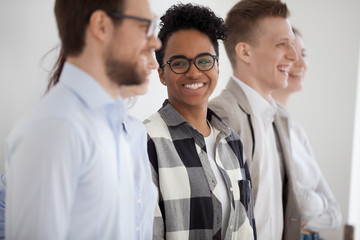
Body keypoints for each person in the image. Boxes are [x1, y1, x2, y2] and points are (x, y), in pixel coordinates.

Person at [4, 0, 161, 238]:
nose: (155, 42)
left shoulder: (111, 126)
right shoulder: (55, 128)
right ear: (101, 25)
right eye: (145, 27)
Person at [144, 3, 256, 240]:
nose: (194, 73)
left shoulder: (233, 143)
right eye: (179, 63)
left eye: (204, 60)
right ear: (162, 73)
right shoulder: (146, 142)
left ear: (217, 66)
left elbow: (247, 229)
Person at [209, 0, 301, 239]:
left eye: (292, 44)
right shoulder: (221, 114)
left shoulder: (280, 117)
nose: (293, 55)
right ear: (245, 52)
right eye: (282, 44)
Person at [272, 28, 342, 240]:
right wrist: (313, 206)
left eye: (303, 54)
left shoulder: (298, 132)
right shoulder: (263, 126)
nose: (301, 64)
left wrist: (301, 220)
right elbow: (299, 203)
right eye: (291, 56)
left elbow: (335, 213)